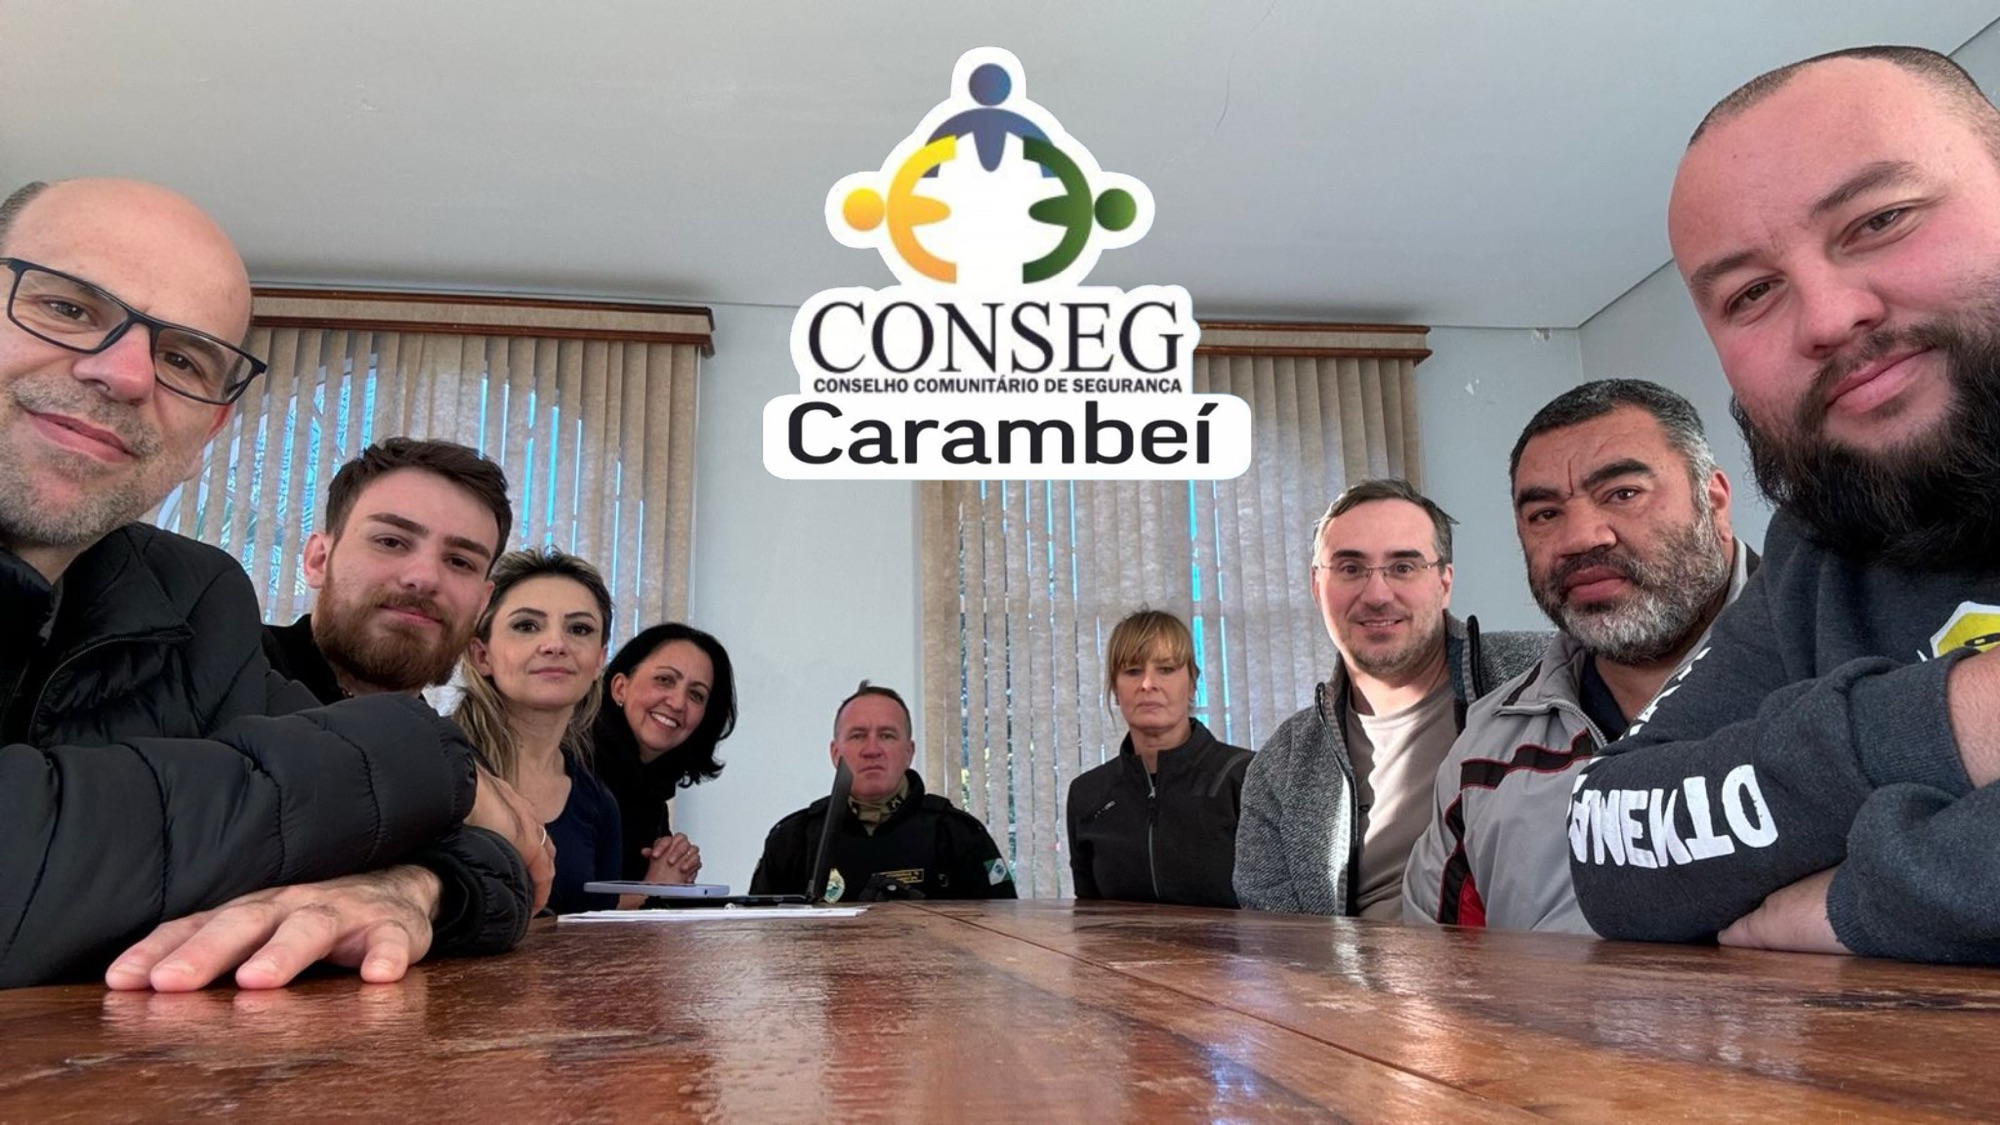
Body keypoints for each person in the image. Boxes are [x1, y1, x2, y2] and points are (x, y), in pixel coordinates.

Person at [0, 177, 536, 990]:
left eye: (183, 358)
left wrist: (412, 885)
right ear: (316, 557)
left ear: (212, 425)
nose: (125, 372)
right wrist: (438, 764)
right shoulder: (399, 730)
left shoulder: (193, 599)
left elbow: (507, 859)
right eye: (68, 307)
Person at [1570, 46, 2000, 963]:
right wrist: (1960, 718)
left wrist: (1860, 901)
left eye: (1881, 220)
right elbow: (1612, 845)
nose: (1828, 318)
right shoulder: (1823, 542)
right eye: (1752, 292)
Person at [1403, 380, 1752, 933]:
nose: (1581, 538)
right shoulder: (1484, 754)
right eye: (1545, 514)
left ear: (1714, 502)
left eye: (1624, 493)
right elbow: (1438, 969)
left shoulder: (1848, 674)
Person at [1233, 479, 1542, 917]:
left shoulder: (1544, 677)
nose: (1377, 595)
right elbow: (1275, 938)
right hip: (1346, 963)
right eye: (1350, 568)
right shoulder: (1282, 766)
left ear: (1444, 583)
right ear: (1317, 586)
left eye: (1403, 567)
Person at [264, 436, 508, 703]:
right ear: (319, 560)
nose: (425, 578)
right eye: (390, 542)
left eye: (460, 562)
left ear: (482, 603)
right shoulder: (233, 668)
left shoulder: (437, 732)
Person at [451, 548, 622, 915]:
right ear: (481, 655)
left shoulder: (599, 804)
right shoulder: (432, 763)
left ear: (599, 660)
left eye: (579, 629)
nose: (556, 645)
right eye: (527, 626)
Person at [749, 682, 1017, 901]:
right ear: (835, 753)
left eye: (887, 735)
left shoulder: (959, 835)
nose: (872, 750)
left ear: (909, 752)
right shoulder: (793, 840)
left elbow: (1002, 932)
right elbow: (761, 937)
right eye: (857, 735)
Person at [1066, 609, 1252, 907]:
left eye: (1166, 669)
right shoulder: (1087, 794)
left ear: (1192, 683)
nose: (1147, 684)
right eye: (1132, 671)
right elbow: (1089, 914)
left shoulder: (1245, 777)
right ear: (1115, 689)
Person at [594, 622, 738, 883]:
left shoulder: (650, 789)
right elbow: (564, 902)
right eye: (664, 680)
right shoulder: (576, 771)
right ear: (619, 688)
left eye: (696, 695)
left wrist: (677, 864)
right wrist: (654, 887)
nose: (678, 703)